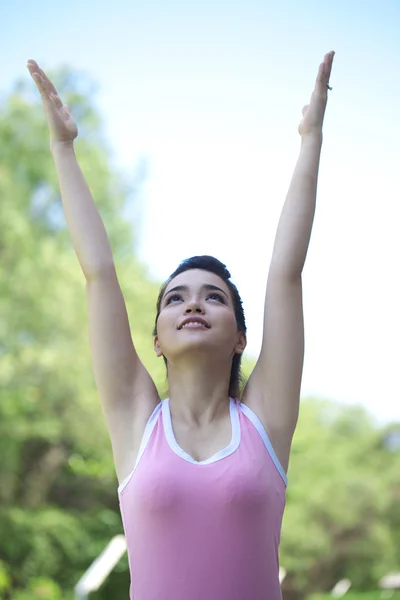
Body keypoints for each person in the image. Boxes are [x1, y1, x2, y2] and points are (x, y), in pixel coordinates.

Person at [28, 50, 335, 600]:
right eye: (176, 299)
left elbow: (286, 274)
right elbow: (98, 274)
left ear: (241, 335)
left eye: (213, 297)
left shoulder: (265, 421)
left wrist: (311, 139)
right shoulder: (136, 421)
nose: (192, 305)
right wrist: (62, 148)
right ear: (157, 340)